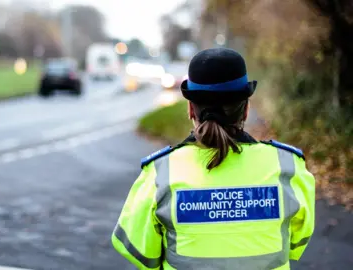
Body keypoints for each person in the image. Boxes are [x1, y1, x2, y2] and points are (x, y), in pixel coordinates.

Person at [111, 48, 316, 270]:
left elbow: (142, 254)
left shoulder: (160, 173)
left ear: (191, 109)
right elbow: (295, 243)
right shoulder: (289, 167)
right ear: (246, 109)